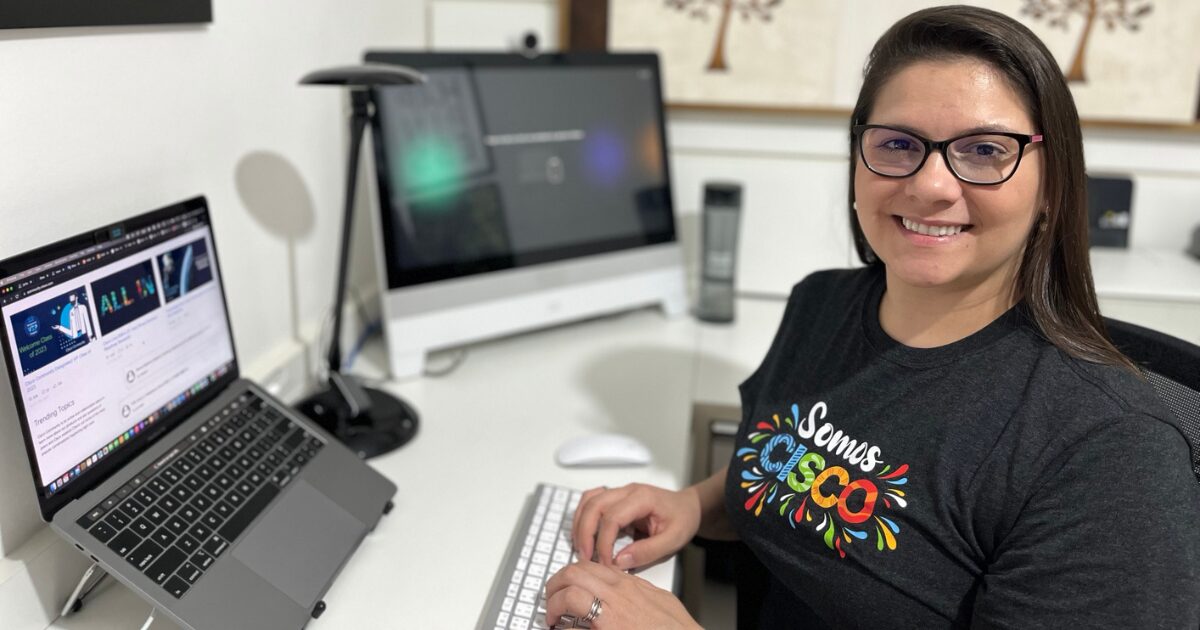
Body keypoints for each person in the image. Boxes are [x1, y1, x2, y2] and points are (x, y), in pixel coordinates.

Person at [545, 5, 1200, 629]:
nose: (931, 185)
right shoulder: (819, 306)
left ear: (1053, 187)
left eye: (983, 151)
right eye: (897, 143)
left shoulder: (1114, 453)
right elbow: (787, 470)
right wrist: (694, 504)